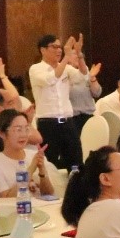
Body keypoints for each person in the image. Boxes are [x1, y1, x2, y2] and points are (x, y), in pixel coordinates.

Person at [28, 33, 85, 169]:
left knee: (76, 163)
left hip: (68, 122)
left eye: (60, 47)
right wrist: (67, 57)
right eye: (54, 47)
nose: (59, 50)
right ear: (43, 50)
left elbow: (83, 76)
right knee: (49, 164)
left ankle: (75, 182)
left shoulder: (66, 68)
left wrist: (79, 54)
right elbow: (51, 79)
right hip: (48, 124)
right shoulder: (35, 69)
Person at [0, 109, 55, 198]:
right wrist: (31, 168)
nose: (24, 134)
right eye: (18, 130)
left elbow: (49, 195)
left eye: (26, 129)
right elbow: (6, 199)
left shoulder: (34, 155)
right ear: (1, 133)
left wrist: (42, 172)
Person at [64, 34, 102, 131]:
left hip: (89, 116)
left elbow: (97, 93)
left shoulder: (86, 71)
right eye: (75, 53)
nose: (78, 56)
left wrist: (92, 77)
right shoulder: (64, 72)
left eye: (80, 54)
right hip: (72, 118)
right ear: (67, 56)